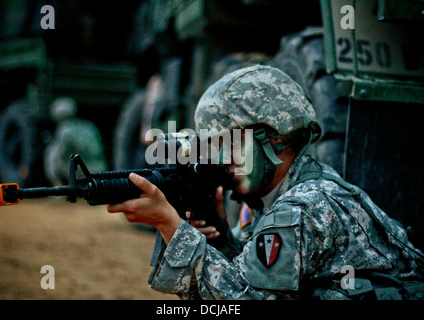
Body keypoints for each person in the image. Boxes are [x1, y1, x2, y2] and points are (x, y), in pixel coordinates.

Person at [107, 65, 423, 300]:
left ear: (275, 138)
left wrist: (171, 226)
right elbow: (253, 281)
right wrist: (221, 243)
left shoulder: (302, 208)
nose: (217, 157)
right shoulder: (283, 193)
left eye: (227, 143)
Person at [44, 97, 108, 186]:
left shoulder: (64, 130)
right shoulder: (87, 125)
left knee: (51, 155)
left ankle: (58, 187)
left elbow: (60, 154)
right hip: (100, 167)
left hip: (83, 170)